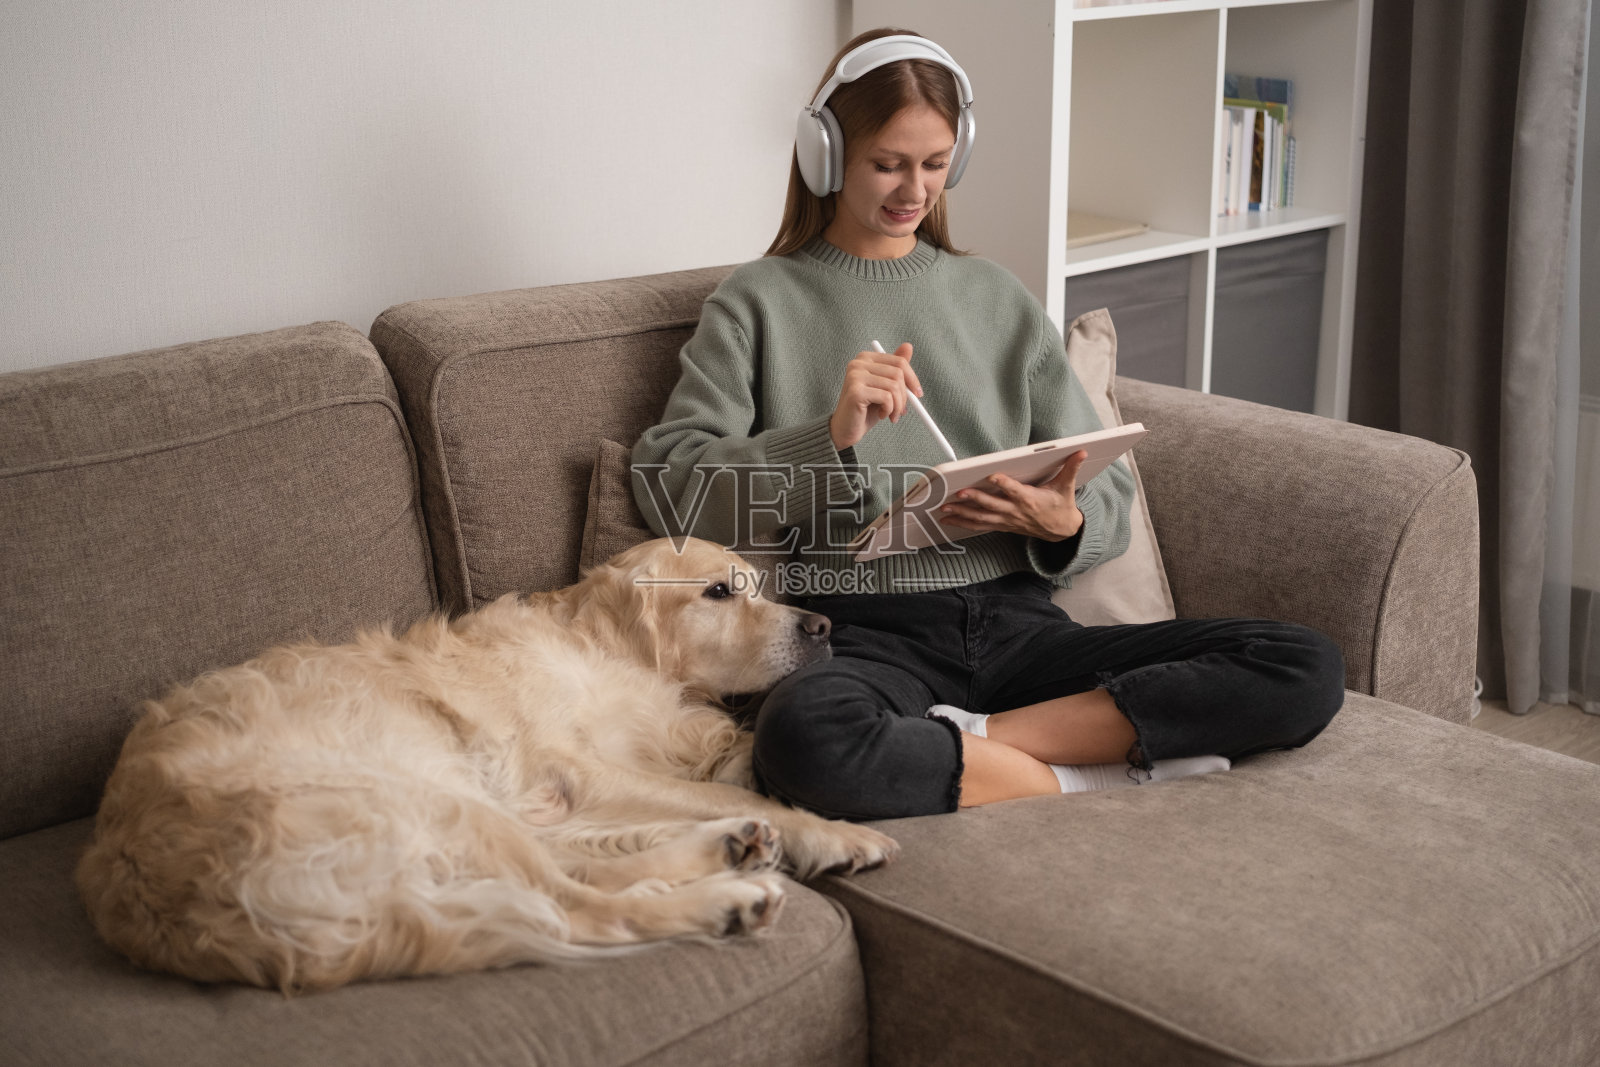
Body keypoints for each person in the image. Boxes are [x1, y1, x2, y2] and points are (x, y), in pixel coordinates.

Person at [630, 27, 1344, 822]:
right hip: (870, 632)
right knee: (802, 738)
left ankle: (980, 740)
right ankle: (1080, 773)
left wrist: (1063, 522)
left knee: (1303, 664)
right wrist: (829, 438)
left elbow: (1107, 500)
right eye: (888, 163)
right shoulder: (757, 302)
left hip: (1024, 628)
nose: (915, 189)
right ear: (825, 155)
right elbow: (671, 489)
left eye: (936, 163)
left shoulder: (998, 297)